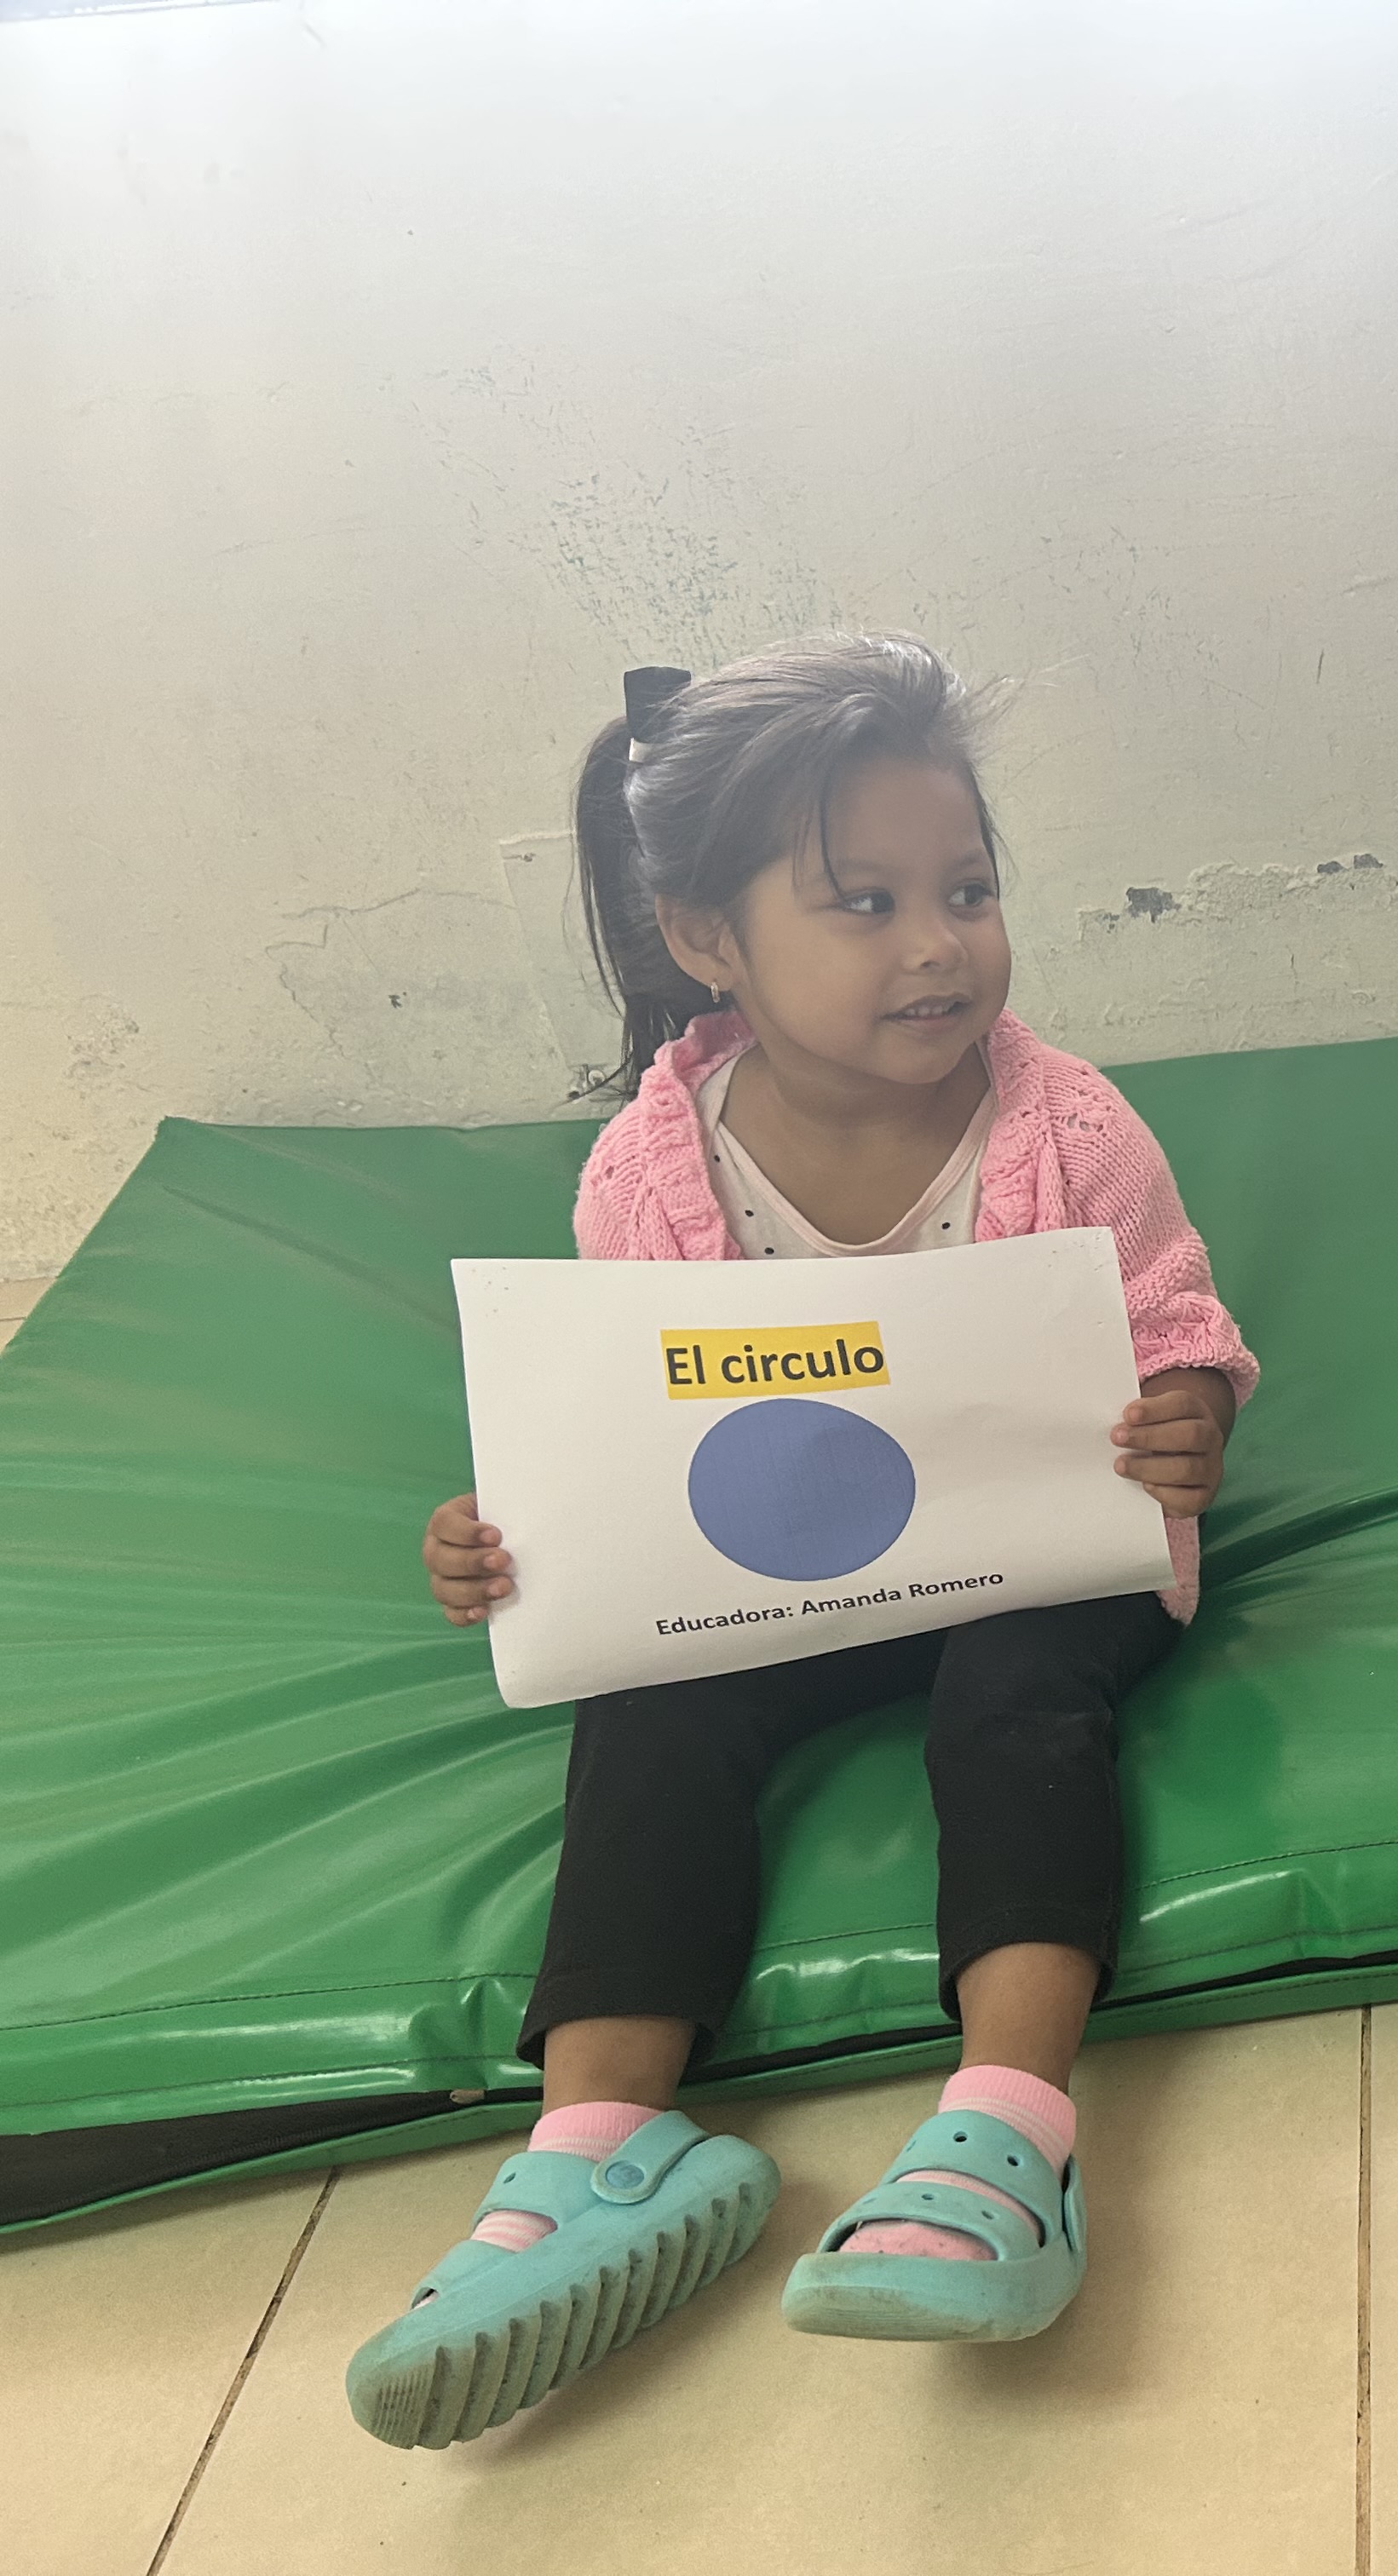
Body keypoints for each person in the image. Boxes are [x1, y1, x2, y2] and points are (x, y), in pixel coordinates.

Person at [353, 637, 1254, 2447]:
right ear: (709, 939)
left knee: (1017, 1701)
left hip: (1033, 1564)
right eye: (866, 904)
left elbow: (1177, 1324)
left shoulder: (1065, 1125)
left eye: (968, 892)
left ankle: (1011, 2127)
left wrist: (1188, 1414)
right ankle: (597, 2149)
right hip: (779, 1582)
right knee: (645, 1718)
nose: (939, 945)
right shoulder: (649, 1173)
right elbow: (624, 1427)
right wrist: (511, 1537)